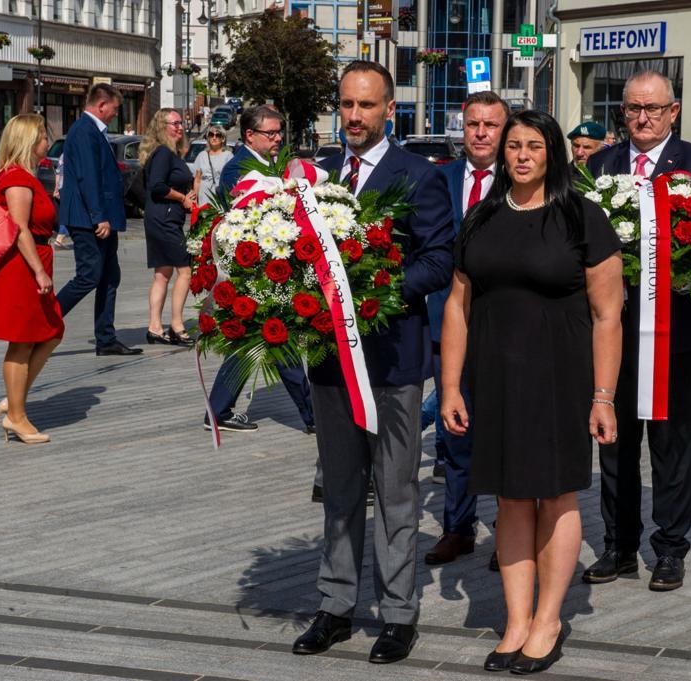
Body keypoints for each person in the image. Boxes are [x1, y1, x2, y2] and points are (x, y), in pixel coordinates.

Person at [441, 109, 622, 674]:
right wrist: (450, 385)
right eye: (514, 145)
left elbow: (607, 315)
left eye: (534, 146)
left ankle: (548, 620)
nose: (522, 155)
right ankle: (516, 621)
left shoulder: (582, 217)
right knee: (511, 499)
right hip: (495, 378)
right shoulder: (481, 217)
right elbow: (457, 306)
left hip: (560, 379)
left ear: (552, 155)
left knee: (557, 497)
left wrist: (603, 397)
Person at [292, 60, 453, 665]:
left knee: (394, 491)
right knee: (339, 489)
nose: (354, 116)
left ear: (390, 109)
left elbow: (438, 258)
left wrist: (374, 293)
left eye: (366, 105)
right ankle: (335, 606)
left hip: (390, 362)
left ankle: (397, 614)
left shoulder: (418, 174)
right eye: (347, 104)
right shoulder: (317, 174)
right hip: (329, 362)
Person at [584, 70, 691, 592]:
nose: (642, 118)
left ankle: (669, 548)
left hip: (675, 331)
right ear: (622, 113)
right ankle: (619, 545)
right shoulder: (599, 166)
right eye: (633, 109)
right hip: (613, 332)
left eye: (653, 108)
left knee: (672, 443)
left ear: (674, 111)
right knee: (614, 441)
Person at [423, 90, 509, 567]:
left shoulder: (520, 181)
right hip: (447, 326)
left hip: (503, 329)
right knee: (454, 433)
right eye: (473, 124)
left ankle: (510, 532)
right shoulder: (440, 178)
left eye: (490, 125)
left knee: (505, 434)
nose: (480, 133)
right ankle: (458, 528)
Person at [202, 105, 316, 435]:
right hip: (256, 271)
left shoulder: (271, 163)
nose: (278, 138)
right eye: (271, 133)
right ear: (250, 135)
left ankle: (217, 410)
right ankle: (313, 416)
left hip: (271, 267)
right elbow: (243, 219)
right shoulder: (238, 168)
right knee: (279, 340)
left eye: (280, 132)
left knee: (251, 342)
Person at [0, 114, 65, 444]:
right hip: (21, 267)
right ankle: (16, 417)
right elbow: (19, 229)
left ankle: (14, 401)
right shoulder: (17, 178)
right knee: (22, 340)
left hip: (31, 261)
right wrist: (39, 270)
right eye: (44, 137)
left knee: (51, 331)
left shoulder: (24, 175)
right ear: (30, 141)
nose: (48, 142)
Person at [55, 82, 141, 356]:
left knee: (109, 276)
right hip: (87, 218)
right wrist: (99, 216)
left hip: (99, 217)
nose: (116, 113)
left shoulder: (93, 130)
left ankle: (106, 339)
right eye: (114, 108)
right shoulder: (84, 130)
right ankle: (43, 321)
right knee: (89, 275)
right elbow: (88, 177)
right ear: (101, 105)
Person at [140, 108, 196, 346]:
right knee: (185, 270)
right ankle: (176, 325)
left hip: (162, 217)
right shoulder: (163, 152)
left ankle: (154, 327)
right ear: (162, 127)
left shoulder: (169, 153)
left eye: (181, 123)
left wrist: (188, 194)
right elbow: (157, 186)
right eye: (175, 124)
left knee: (162, 273)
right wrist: (183, 198)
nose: (180, 127)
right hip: (164, 218)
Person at [191, 126, 234, 205]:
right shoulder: (202, 155)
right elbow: (197, 180)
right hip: (203, 197)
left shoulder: (228, 155)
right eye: (211, 135)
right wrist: (195, 199)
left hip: (220, 197)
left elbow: (231, 179)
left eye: (218, 135)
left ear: (223, 139)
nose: (214, 138)